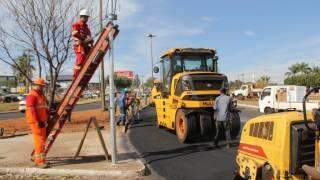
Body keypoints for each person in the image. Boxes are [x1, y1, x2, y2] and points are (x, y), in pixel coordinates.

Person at [25, 78, 49, 168]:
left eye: (43, 86)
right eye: (41, 86)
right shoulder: (32, 95)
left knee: (41, 141)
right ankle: (39, 161)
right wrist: (38, 121)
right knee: (40, 141)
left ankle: (38, 159)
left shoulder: (40, 95)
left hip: (40, 121)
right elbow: (32, 110)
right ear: (35, 85)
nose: (42, 87)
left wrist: (48, 112)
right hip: (36, 122)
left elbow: (41, 107)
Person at [71, 9, 93, 79]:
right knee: (81, 58)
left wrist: (90, 41)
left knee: (89, 58)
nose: (86, 19)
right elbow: (74, 33)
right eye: (85, 17)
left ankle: (83, 74)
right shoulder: (76, 25)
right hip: (79, 45)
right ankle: (76, 76)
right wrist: (83, 39)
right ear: (81, 17)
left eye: (87, 17)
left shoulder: (87, 28)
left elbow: (89, 37)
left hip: (86, 45)